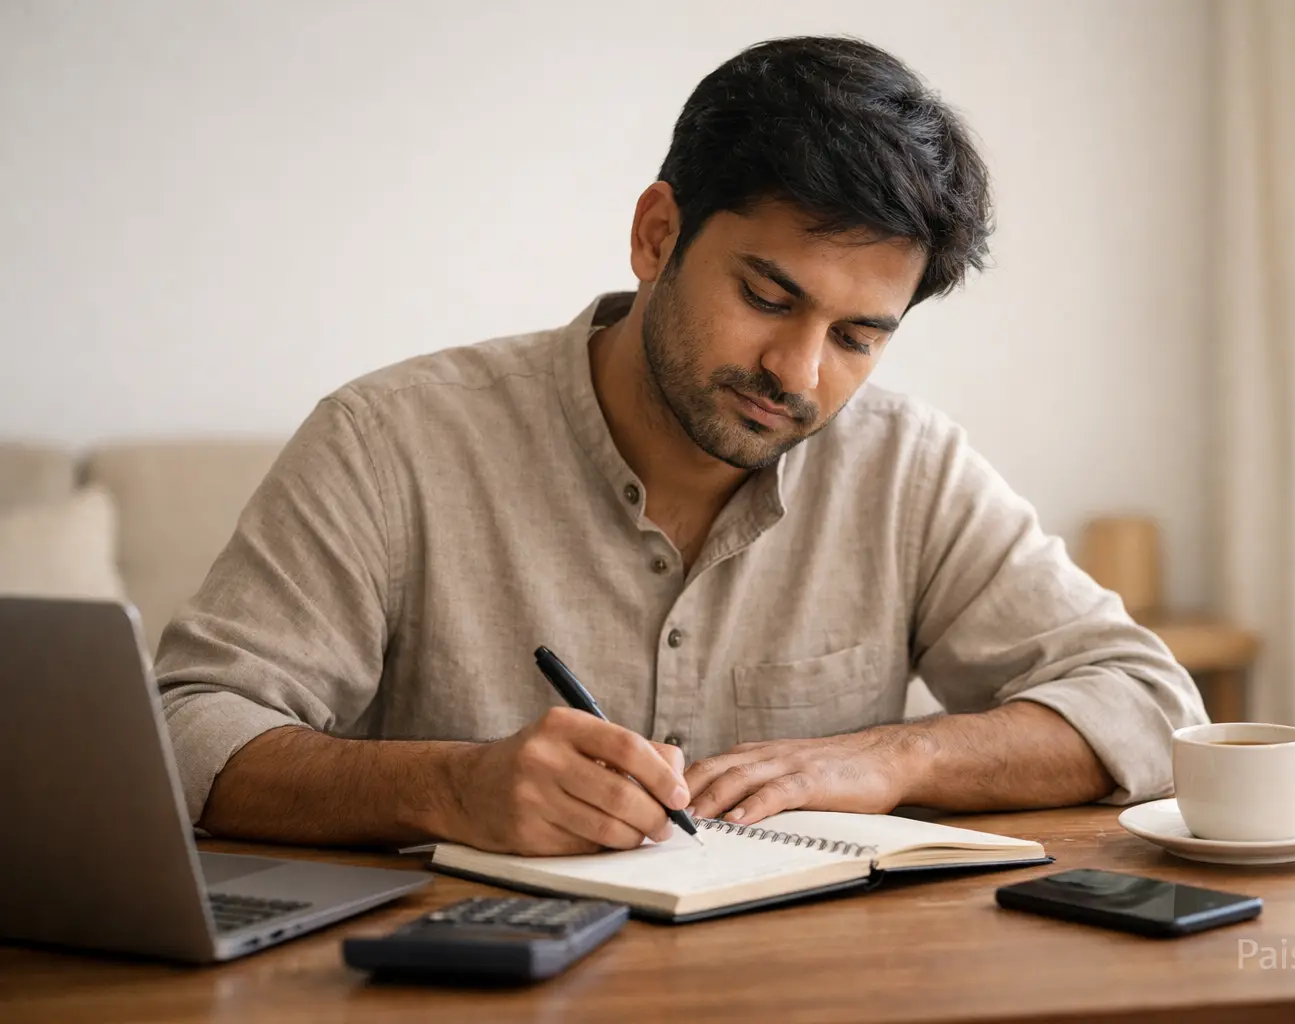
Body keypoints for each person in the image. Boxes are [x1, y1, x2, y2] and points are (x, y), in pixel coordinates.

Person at [156, 35, 1207, 858]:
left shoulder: (907, 468)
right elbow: (186, 730)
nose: (798, 374)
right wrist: (451, 786)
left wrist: (898, 757)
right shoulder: (390, 443)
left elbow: (1151, 705)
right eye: (766, 297)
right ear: (657, 233)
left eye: (855, 337)